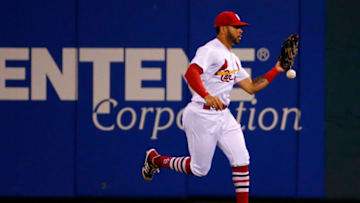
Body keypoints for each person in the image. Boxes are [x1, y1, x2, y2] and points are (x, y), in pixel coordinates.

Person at [142, 11, 286, 203]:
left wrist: (276, 69)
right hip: (201, 114)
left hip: (223, 115)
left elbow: (251, 87)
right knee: (199, 169)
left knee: (241, 159)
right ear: (223, 28)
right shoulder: (210, 50)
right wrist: (206, 95)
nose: (240, 31)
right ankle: (155, 159)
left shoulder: (233, 59)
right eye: (237, 27)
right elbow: (191, 72)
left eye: (241, 27)